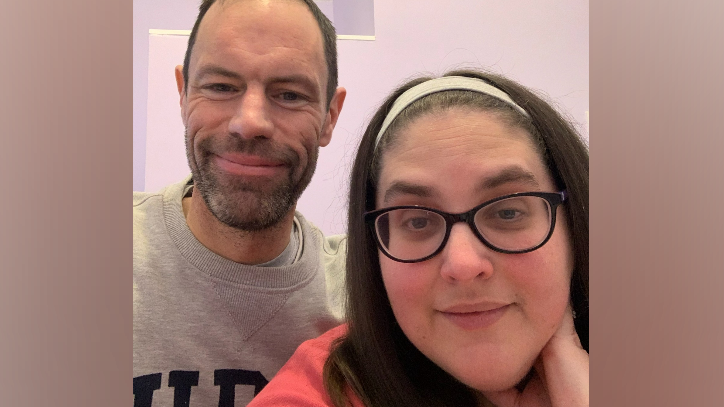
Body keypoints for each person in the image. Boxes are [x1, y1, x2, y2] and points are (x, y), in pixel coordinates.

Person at [246, 69, 589, 407]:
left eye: (507, 213)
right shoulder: (316, 392)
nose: (463, 264)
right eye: (418, 221)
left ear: (573, 225)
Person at [133, 0, 347, 405]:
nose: (250, 122)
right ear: (183, 95)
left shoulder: (365, 297)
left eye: (289, 93)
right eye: (220, 87)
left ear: (329, 117)